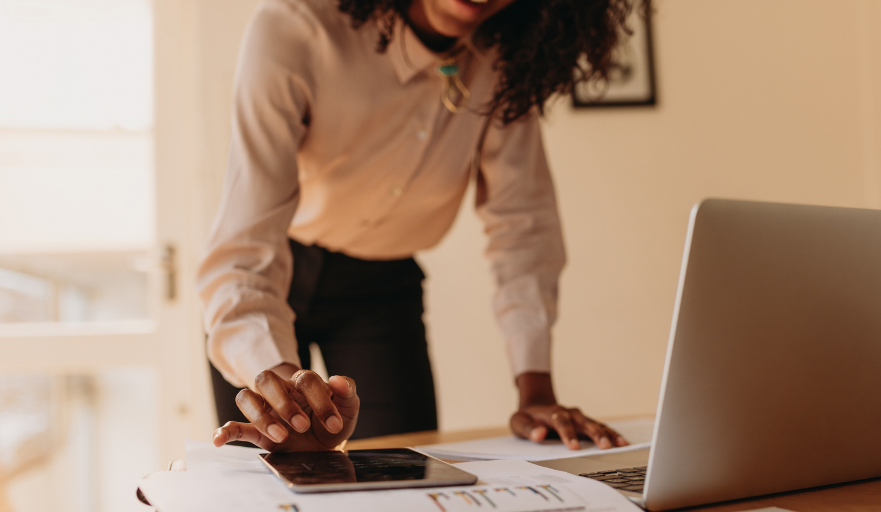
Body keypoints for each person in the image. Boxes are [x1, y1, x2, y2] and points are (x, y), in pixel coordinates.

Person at [199, 0, 644, 452]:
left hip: (381, 292)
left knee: (404, 478)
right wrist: (278, 385)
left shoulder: (508, 60)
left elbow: (523, 226)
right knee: (270, 469)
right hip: (268, 280)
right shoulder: (294, 30)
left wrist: (536, 392)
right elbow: (245, 246)